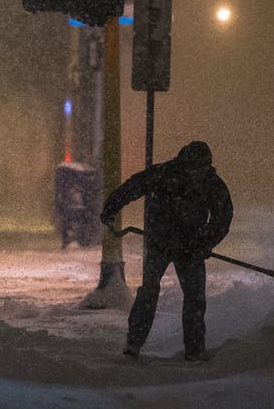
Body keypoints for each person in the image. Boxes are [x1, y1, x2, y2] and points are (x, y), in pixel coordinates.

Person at [100, 140, 233, 362]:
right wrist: (111, 208)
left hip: (191, 248)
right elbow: (133, 187)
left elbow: (222, 219)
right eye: (193, 168)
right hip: (158, 243)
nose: (196, 173)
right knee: (149, 292)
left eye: (201, 169)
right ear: (183, 163)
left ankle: (194, 350)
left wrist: (204, 243)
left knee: (195, 298)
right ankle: (133, 345)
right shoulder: (164, 173)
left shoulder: (212, 183)